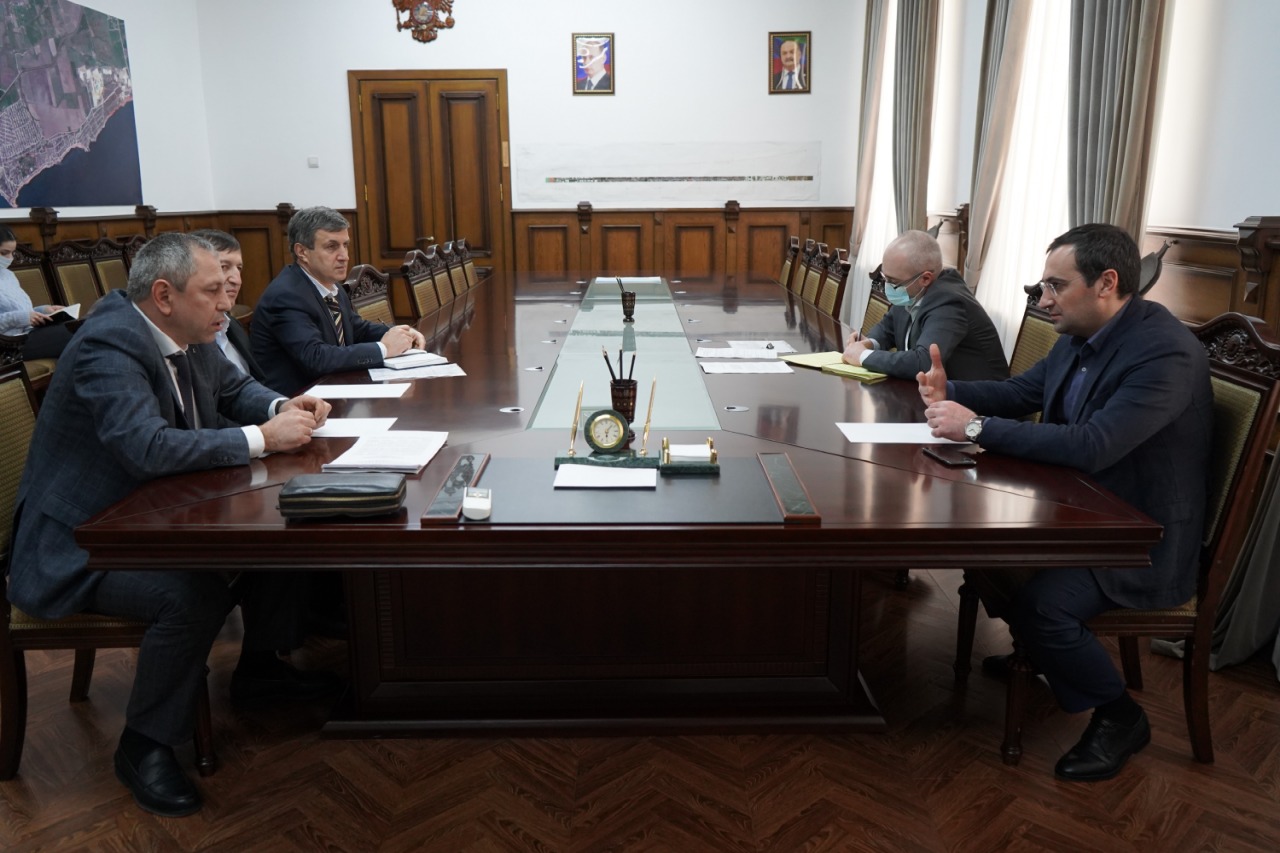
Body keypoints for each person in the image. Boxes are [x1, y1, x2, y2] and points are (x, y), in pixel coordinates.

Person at [7, 233, 339, 817]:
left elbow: (234, 387)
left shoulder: (188, 331)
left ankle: (260, 670)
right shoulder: (109, 344)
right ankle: (144, 745)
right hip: (79, 543)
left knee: (283, 534)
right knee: (189, 596)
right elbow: (147, 447)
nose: (227, 302)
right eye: (213, 290)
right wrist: (262, 438)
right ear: (164, 295)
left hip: (147, 514)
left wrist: (279, 407)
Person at [918, 223, 1214, 781]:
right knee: (990, 559)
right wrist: (946, 390)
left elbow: (1093, 445)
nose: (1043, 299)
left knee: (1044, 607)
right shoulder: (1083, 333)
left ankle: (1121, 716)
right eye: (1042, 286)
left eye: (1055, 286)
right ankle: (1046, 653)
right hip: (1081, 511)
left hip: (1139, 539)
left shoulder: (1164, 352)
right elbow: (1021, 392)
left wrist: (975, 427)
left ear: (1107, 283)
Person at [251, 206, 423, 395]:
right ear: (302, 252)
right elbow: (316, 358)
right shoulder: (286, 296)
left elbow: (357, 329)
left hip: (333, 391)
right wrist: (384, 349)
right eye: (331, 247)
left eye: (345, 245)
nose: (344, 256)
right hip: (298, 402)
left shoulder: (331, 286)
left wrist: (401, 333)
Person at [843, 230, 1009, 381]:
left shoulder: (949, 302)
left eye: (893, 281)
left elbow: (924, 363)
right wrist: (869, 343)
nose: (888, 286)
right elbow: (887, 329)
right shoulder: (911, 290)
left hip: (973, 400)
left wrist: (863, 356)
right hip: (929, 392)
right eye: (886, 278)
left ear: (925, 278)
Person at [190, 229, 266, 381]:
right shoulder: (188, 335)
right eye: (224, 267)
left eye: (239, 268)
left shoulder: (233, 326)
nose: (237, 280)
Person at [0, 224, 73, 359]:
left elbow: (22, 311)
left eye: (12, 253)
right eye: (4, 253)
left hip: (28, 333)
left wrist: (44, 311)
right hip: (10, 345)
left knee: (75, 327)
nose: (10, 258)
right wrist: (22, 317)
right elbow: (20, 316)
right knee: (75, 335)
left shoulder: (8, 275)